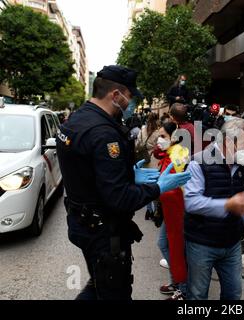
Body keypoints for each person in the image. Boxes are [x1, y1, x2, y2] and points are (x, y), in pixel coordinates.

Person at [56, 65, 191, 300]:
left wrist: (126, 172)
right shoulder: (103, 133)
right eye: (129, 96)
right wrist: (159, 187)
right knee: (113, 291)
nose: (130, 104)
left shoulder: (77, 118)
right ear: (116, 95)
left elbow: (87, 169)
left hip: (82, 222)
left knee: (99, 286)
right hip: (102, 231)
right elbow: (119, 198)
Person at [183, 118, 244, 300]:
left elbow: (240, 198)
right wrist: (227, 205)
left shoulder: (243, 165)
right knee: (197, 295)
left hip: (232, 243)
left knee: (233, 294)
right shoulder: (198, 163)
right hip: (201, 243)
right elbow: (191, 202)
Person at [153, 122, 190, 300]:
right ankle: (177, 281)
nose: (159, 139)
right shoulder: (170, 153)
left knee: (176, 249)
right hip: (170, 210)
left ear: (173, 138)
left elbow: (180, 185)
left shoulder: (176, 156)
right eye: (159, 135)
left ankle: (183, 289)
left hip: (178, 211)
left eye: (163, 136)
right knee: (164, 244)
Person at [135, 112, 160, 220]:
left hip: (142, 160)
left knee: (145, 187)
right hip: (153, 161)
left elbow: (137, 144)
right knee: (153, 187)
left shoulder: (143, 128)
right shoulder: (158, 132)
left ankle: (148, 211)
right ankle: (154, 211)